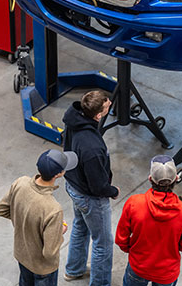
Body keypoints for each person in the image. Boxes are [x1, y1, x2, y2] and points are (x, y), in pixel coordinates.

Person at [62, 89, 119, 285]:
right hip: (89, 196)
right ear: (97, 115)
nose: (110, 103)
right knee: (102, 243)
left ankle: (74, 269)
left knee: (80, 226)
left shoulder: (74, 120)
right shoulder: (92, 148)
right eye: (106, 105)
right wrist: (112, 191)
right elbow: (97, 186)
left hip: (73, 184)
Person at [0, 149, 78, 286]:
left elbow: (1, 209)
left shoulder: (20, 183)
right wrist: (59, 231)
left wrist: (23, 221)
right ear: (58, 174)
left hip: (22, 256)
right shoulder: (53, 209)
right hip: (42, 268)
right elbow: (49, 253)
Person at [115, 155, 182, 286]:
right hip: (167, 272)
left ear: (150, 179)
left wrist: (134, 251)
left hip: (138, 267)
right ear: (176, 179)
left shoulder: (134, 203)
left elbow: (121, 239)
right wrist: (170, 247)